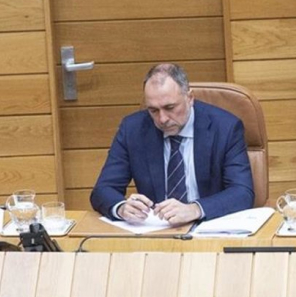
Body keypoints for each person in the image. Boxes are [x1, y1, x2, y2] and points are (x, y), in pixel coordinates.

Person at [90, 63, 254, 225]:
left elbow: (242, 192)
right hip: (157, 230)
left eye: (170, 107)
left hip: (210, 226)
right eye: (153, 110)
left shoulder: (225, 128)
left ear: (190, 98)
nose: (162, 119)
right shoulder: (133, 129)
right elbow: (103, 190)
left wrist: (195, 209)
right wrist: (121, 208)